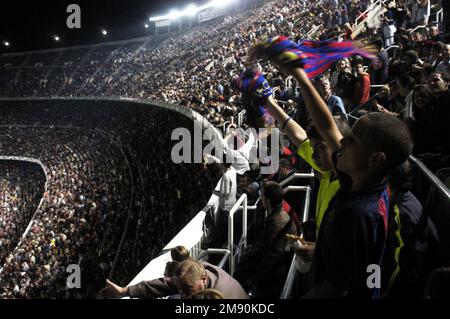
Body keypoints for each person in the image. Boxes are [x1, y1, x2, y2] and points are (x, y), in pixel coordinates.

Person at [247, 36, 413, 298]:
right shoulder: (360, 178)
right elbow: (325, 127)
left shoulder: (359, 213)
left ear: (375, 159)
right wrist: (299, 76)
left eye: (351, 141)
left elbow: (339, 286)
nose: (340, 142)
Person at [234, 181, 297, 298]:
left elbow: (273, 256)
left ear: (267, 201)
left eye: (262, 196)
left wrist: (251, 278)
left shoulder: (277, 223)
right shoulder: (277, 215)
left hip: (274, 274)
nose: (260, 198)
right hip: (271, 266)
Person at [98, 259, 248, 299]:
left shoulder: (218, 295)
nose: (182, 294)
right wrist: (125, 291)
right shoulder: (195, 273)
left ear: (203, 279)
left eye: (187, 289)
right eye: (180, 289)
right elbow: (164, 285)